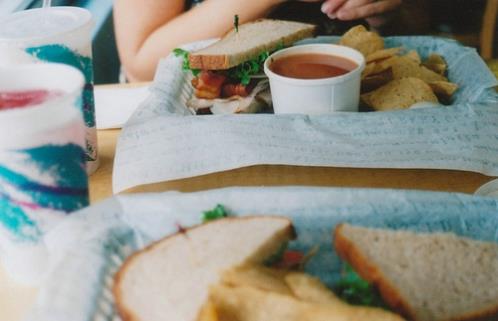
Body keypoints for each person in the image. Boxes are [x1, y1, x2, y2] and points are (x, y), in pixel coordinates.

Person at [113, 0, 403, 82]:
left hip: (353, 112)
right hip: (203, 125)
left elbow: (420, 26)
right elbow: (143, 64)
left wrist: (379, 13)